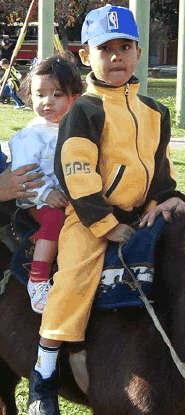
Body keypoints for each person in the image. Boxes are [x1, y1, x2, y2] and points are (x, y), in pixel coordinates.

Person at [27, 4, 185, 415]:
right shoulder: (85, 109)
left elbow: (159, 167)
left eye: (124, 47)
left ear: (138, 52)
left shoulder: (156, 111)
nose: (115, 56)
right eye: (105, 48)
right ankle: (44, 369)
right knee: (76, 274)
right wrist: (105, 223)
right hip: (90, 215)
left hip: (142, 211)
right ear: (86, 56)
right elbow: (76, 170)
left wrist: (171, 198)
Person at [9, 55, 83, 313]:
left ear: (73, 97)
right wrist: (45, 193)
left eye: (57, 94)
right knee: (54, 220)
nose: (47, 102)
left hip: (70, 195)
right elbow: (21, 174)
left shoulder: (76, 128)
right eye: (40, 95)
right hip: (36, 198)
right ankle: (38, 279)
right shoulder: (31, 135)